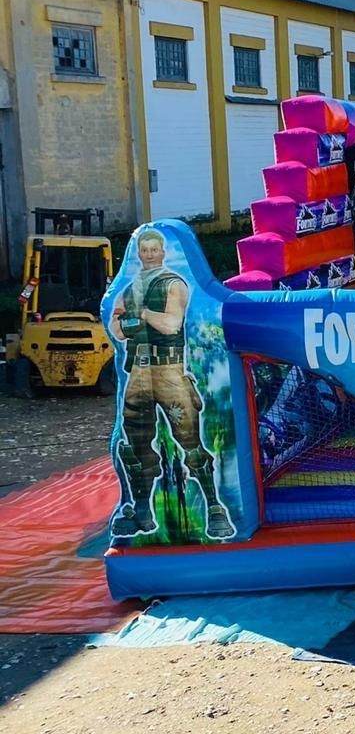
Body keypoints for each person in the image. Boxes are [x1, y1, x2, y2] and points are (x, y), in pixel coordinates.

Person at [108, 230, 233, 540]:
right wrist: (137, 320)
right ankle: (141, 509)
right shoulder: (129, 289)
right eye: (144, 249)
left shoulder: (173, 284)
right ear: (138, 253)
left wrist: (142, 315)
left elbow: (170, 324)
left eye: (154, 249)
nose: (149, 254)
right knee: (135, 444)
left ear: (162, 252)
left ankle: (215, 508)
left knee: (190, 442)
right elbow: (115, 329)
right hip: (138, 372)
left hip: (170, 372)